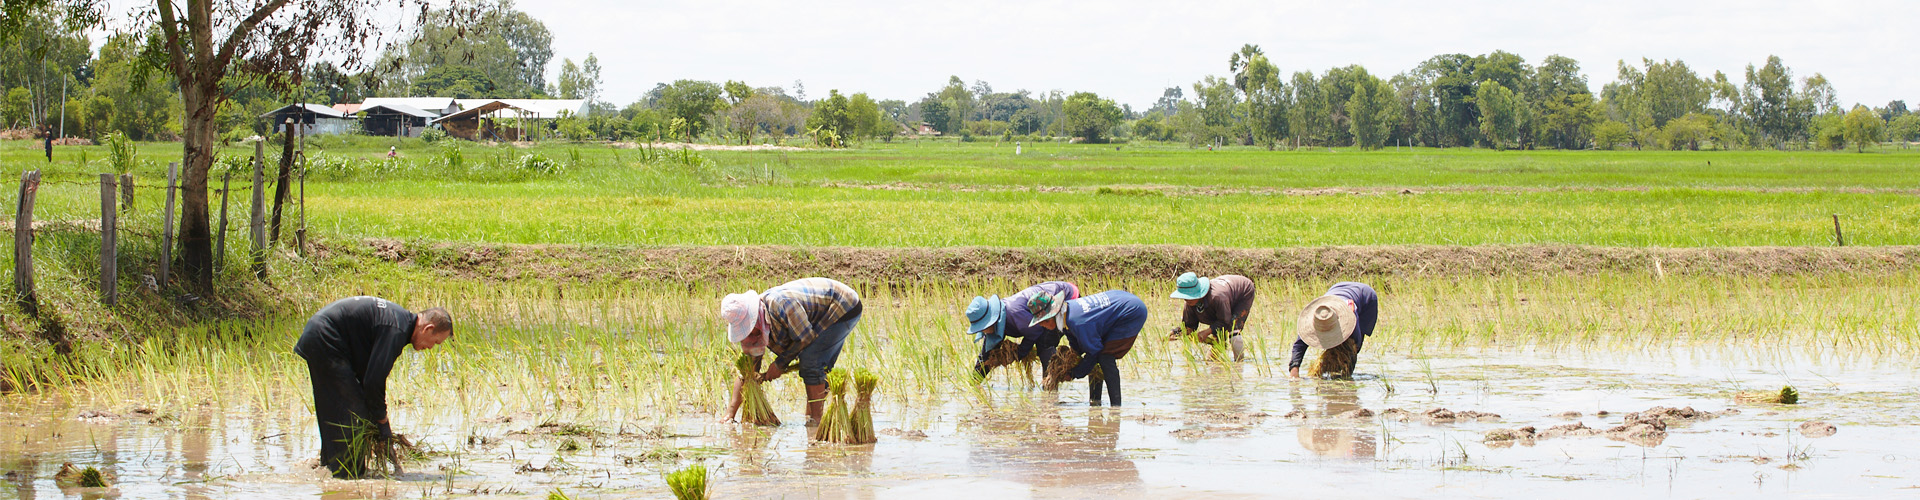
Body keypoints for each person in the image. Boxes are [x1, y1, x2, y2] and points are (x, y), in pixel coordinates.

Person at [292, 296, 453, 478]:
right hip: (325, 337)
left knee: (338, 407)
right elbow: (374, 381)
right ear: (428, 328)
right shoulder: (396, 330)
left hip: (321, 335)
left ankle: (330, 467)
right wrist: (382, 421)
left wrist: (376, 416)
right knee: (353, 410)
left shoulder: (398, 323)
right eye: (436, 342)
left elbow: (367, 375)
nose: (431, 347)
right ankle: (347, 473)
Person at [719, 277, 862, 426]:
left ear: (754, 318)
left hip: (841, 305)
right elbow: (747, 371)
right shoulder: (757, 328)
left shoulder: (781, 304)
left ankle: (816, 421)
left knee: (812, 360)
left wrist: (780, 364)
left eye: (747, 328)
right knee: (811, 360)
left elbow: (805, 338)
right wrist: (730, 414)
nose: (748, 334)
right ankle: (811, 414)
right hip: (811, 316)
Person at [1029, 290, 1148, 406]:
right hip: (1120, 300)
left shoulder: (1077, 322)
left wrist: (1074, 373)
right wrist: (1071, 358)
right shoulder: (1067, 313)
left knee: (1105, 356)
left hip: (1131, 312)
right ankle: (1096, 401)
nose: (1041, 325)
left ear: (1051, 316)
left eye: (1041, 322)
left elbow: (1094, 352)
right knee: (1095, 352)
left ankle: (1115, 407)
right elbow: (1077, 342)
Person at [963, 281, 1081, 378]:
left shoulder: (1014, 314)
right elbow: (986, 355)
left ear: (992, 320)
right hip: (1041, 311)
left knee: (1044, 345)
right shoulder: (995, 325)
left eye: (983, 327)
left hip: (1066, 297)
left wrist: (1018, 353)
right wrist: (975, 382)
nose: (983, 332)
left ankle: (1050, 391)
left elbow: (1035, 332)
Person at [1289, 282, 1379, 379]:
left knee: (1348, 349)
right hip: (1337, 288)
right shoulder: (1316, 317)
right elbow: (1299, 345)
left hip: (1367, 299)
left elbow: (1354, 347)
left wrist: (1346, 374)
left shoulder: (1351, 319)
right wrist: (1294, 371)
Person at [1166, 272, 1256, 361]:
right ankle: (1216, 352)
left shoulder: (1217, 297)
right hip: (1226, 295)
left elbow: (1225, 321)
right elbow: (1189, 326)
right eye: (1185, 297)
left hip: (1242, 292)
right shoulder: (1189, 304)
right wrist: (1175, 333)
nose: (1187, 300)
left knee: (1233, 330)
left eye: (1189, 297)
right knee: (1218, 338)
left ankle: (1239, 363)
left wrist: (1206, 332)